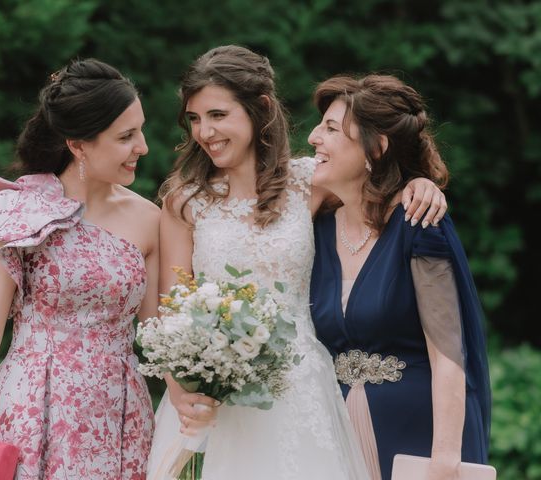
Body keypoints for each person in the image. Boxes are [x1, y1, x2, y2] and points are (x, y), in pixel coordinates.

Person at [146, 45, 447, 480]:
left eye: (217, 115)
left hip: (299, 386)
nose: (204, 132)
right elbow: (172, 310)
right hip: (211, 397)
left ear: (261, 109)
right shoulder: (185, 202)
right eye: (194, 119)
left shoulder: (310, 182)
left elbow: (379, 173)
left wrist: (421, 184)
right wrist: (181, 388)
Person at [0, 58, 157, 480]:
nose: (142, 146)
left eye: (140, 130)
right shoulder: (22, 213)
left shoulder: (150, 220)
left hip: (120, 416)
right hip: (33, 409)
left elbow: (162, 335)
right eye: (126, 136)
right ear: (78, 144)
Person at [308, 74, 491, 480]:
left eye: (332, 128)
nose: (313, 138)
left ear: (377, 147)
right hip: (333, 437)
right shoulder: (315, 228)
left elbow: (447, 354)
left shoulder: (419, 224)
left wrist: (444, 461)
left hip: (414, 436)